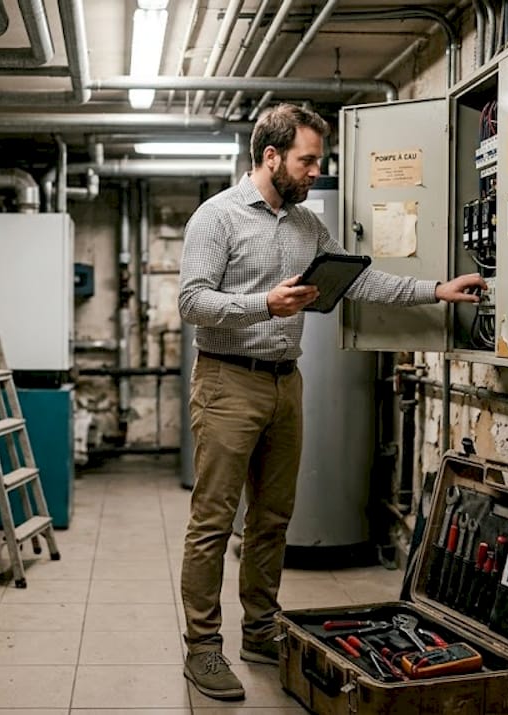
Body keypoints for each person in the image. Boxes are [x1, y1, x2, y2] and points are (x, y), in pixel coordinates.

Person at [177, 102, 486, 701]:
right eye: (307, 159)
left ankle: (260, 630)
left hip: (283, 382)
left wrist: (437, 290)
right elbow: (191, 302)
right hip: (226, 381)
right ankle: (203, 648)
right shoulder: (215, 219)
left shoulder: (303, 225)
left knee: (272, 518)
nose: (317, 170)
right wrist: (263, 304)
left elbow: (358, 278)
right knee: (213, 523)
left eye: (318, 159)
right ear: (271, 157)